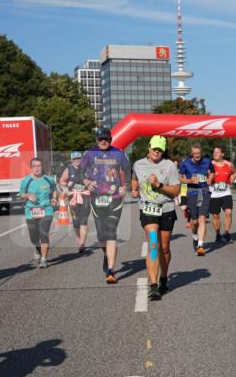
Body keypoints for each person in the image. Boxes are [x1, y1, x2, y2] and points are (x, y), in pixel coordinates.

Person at [131, 136, 181, 300]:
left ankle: (164, 277)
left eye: (160, 149)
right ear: (149, 147)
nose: (157, 152)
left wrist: (159, 185)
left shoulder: (169, 166)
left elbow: (176, 191)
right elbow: (134, 179)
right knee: (153, 244)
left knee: (164, 248)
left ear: (163, 150)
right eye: (155, 148)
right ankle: (153, 286)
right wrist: (135, 189)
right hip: (148, 209)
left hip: (166, 209)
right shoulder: (138, 164)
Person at [80, 126, 130, 284]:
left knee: (111, 232)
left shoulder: (118, 153)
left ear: (111, 139)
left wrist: (125, 186)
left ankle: (110, 270)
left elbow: (128, 170)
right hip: (96, 198)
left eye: (106, 139)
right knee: (102, 235)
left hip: (114, 198)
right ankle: (106, 254)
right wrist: (86, 181)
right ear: (96, 139)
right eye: (100, 138)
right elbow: (79, 171)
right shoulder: (89, 154)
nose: (103, 141)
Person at [18, 157, 58, 268]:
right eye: (34, 166)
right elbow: (21, 194)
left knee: (44, 234)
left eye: (39, 166)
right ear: (31, 168)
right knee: (34, 237)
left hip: (46, 209)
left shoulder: (49, 179)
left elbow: (54, 190)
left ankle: (44, 259)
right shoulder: (26, 180)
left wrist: (54, 199)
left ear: (42, 167)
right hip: (31, 211)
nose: (37, 168)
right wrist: (28, 195)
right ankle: (37, 247)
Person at [178, 143, 213, 256]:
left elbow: (212, 171)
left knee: (202, 219)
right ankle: (195, 236)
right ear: (192, 153)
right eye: (195, 154)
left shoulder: (207, 161)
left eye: (199, 153)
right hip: (192, 192)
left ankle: (200, 246)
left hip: (204, 192)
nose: (197, 155)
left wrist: (210, 179)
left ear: (201, 152)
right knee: (194, 221)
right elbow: (180, 178)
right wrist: (189, 181)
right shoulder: (185, 163)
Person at [58, 150, 91, 253]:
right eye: (75, 159)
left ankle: (82, 242)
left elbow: (93, 180)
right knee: (76, 221)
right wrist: (66, 185)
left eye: (79, 159)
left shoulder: (86, 169)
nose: (77, 161)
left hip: (85, 196)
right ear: (72, 160)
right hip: (73, 198)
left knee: (83, 220)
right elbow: (61, 181)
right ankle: (78, 236)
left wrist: (89, 183)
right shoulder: (69, 169)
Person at [209, 146, 236, 243]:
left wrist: (233, 177)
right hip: (214, 194)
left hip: (226, 193)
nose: (215, 154)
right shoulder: (210, 164)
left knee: (228, 212)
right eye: (214, 152)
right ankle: (217, 234)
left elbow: (235, 172)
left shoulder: (228, 164)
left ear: (222, 154)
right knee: (215, 216)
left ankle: (227, 233)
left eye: (217, 152)